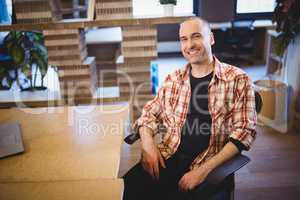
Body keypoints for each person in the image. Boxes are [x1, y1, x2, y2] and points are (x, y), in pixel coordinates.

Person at [123, 17, 257, 200]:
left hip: (209, 166)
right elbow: (149, 114)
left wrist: (203, 171)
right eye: (184, 39)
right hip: (168, 158)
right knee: (123, 191)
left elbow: (244, 132)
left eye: (196, 36)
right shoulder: (173, 79)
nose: (190, 45)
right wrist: (147, 144)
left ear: (211, 38)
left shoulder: (239, 79)